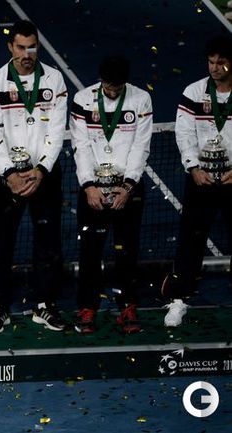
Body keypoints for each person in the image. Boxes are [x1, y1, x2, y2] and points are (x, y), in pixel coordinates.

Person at [0, 20, 68, 334]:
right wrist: (10, 174)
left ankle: (45, 304)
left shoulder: (55, 80)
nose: (26, 54)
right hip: (7, 179)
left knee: (48, 243)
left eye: (32, 48)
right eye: (20, 47)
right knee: (0, 245)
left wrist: (40, 170)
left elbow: (56, 130)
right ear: (10, 47)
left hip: (44, 175)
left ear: (37, 47)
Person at [70, 56, 153, 334]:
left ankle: (128, 306)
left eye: (117, 88)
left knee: (127, 251)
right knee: (90, 252)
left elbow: (141, 146)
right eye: (107, 86)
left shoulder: (141, 100)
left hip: (126, 190)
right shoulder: (83, 100)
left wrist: (127, 187)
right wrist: (88, 186)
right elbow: (80, 146)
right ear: (100, 80)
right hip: (92, 190)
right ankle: (87, 308)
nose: (112, 92)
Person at [162, 35, 232, 326]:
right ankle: (178, 300)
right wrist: (193, 167)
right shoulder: (193, 92)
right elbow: (184, 133)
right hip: (200, 180)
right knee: (190, 242)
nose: (214, 68)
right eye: (211, 62)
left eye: (221, 63)